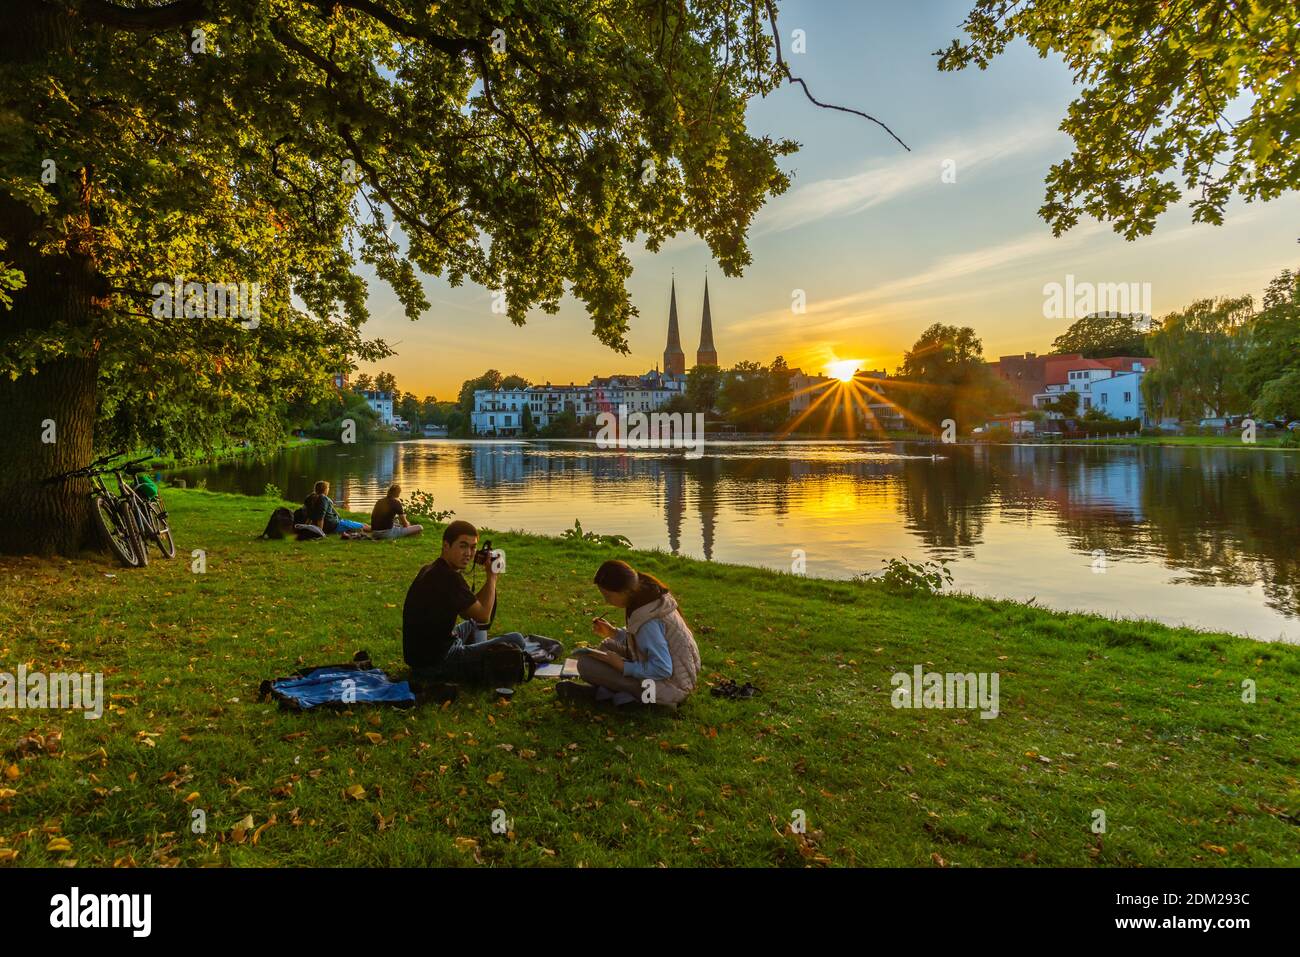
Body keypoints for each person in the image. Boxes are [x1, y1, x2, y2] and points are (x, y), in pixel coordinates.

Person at [557, 560, 701, 709]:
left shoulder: (648, 622)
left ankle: (630, 698)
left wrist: (622, 666)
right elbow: (643, 643)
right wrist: (614, 632)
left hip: (670, 689)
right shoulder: (647, 598)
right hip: (678, 680)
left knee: (585, 664)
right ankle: (612, 693)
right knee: (607, 645)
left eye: (608, 596)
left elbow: (663, 669)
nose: (606, 601)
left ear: (625, 592)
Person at [402, 520, 528, 684]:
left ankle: (480, 654)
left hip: (421, 656)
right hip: (438, 662)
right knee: (517, 640)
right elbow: (483, 616)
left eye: (473, 547)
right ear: (446, 545)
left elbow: (472, 611)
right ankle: (481, 657)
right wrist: (492, 578)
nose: (469, 553)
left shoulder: (432, 568)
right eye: (463, 546)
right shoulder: (449, 578)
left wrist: (489, 579)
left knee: (473, 626)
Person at [303, 480, 369, 535]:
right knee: (364, 526)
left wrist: (305, 527)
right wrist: (321, 533)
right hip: (335, 526)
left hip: (336, 523)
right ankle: (377, 529)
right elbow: (321, 518)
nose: (328, 490)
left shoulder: (310, 498)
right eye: (328, 488)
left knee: (360, 525)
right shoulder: (323, 499)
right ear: (325, 490)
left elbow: (310, 516)